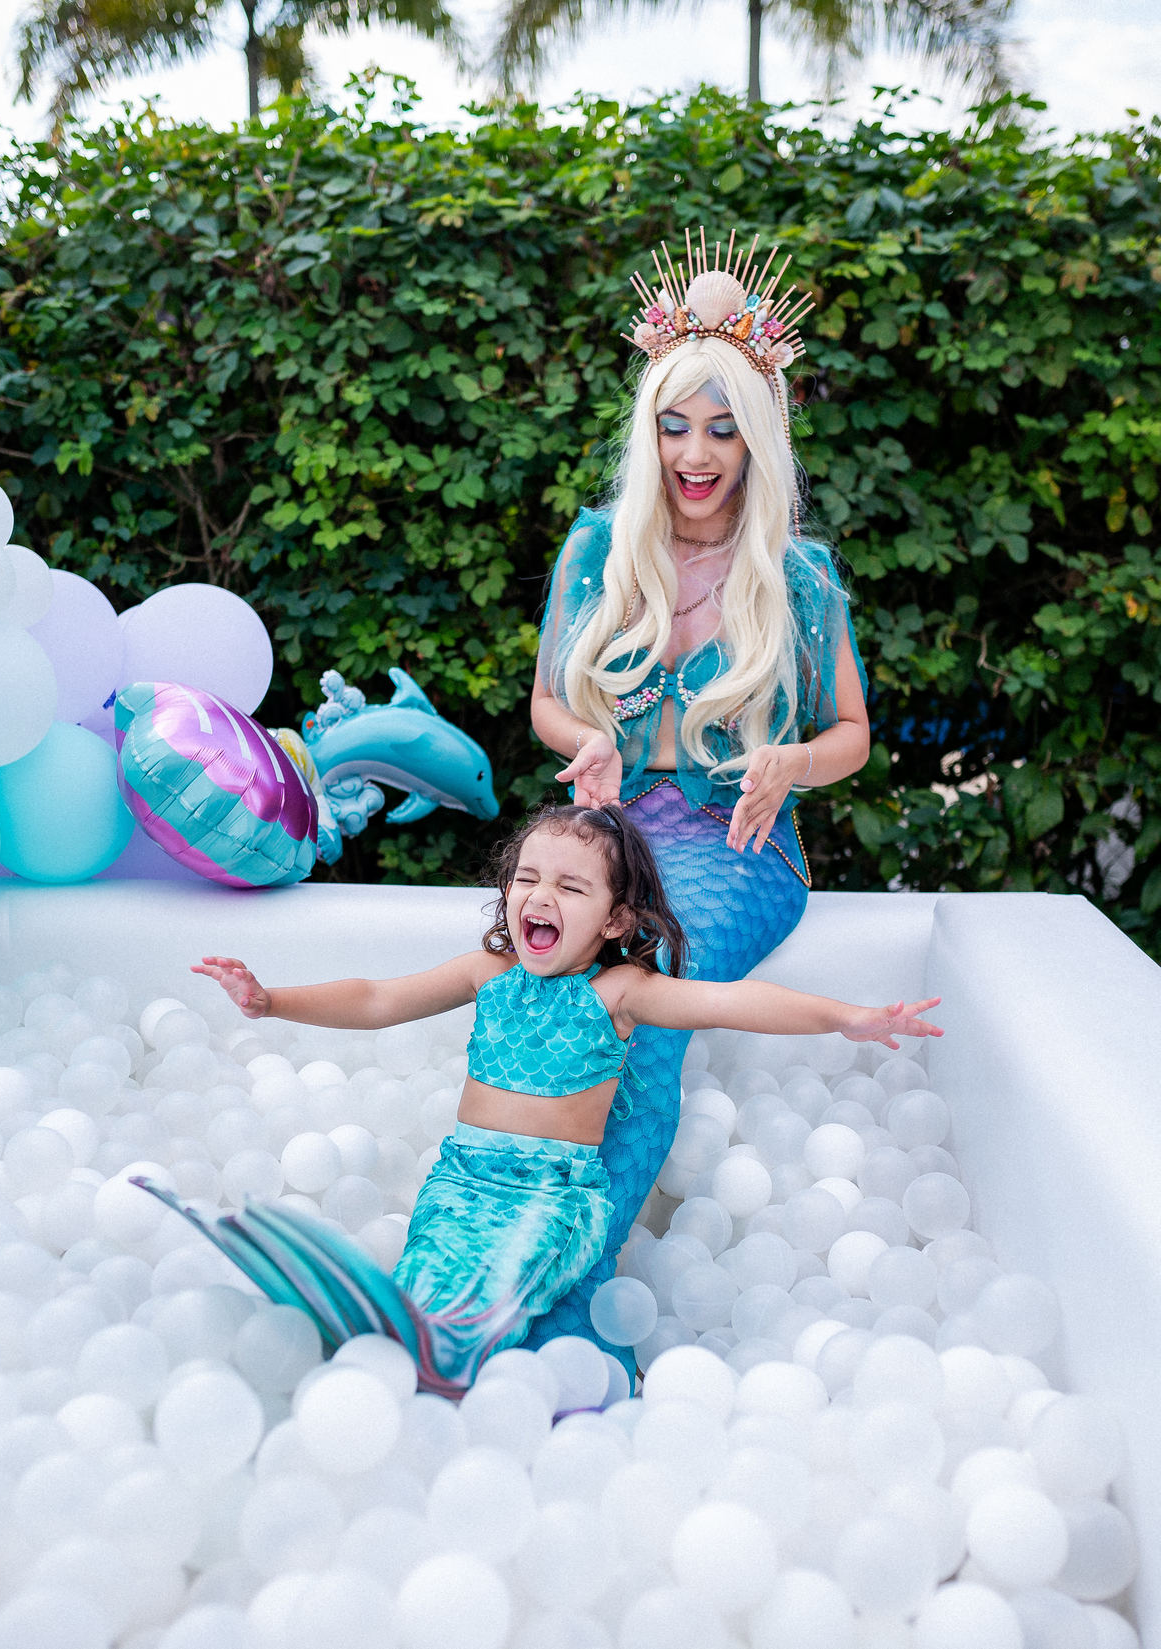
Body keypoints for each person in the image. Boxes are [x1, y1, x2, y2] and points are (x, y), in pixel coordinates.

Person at [135, 804, 940, 1397]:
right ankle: (386, 1335)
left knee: (502, 1283)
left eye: (569, 885)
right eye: (526, 877)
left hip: (553, 1195)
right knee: (427, 1279)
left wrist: (847, 1016)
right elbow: (378, 996)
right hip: (462, 1179)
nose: (538, 894)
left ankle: (457, 1355)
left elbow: (733, 1001)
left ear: (615, 919)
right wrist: (272, 1000)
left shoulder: (621, 991)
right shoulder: (489, 973)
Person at [525, 230, 872, 1364]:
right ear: (650, 430)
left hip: (740, 844)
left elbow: (853, 736)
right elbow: (547, 705)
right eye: (676, 424)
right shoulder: (598, 549)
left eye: (724, 427)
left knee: (650, 984)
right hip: (613, 827)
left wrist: (791, 762)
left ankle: (576, 1292)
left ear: (758, 435)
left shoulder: (800, 577)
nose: (697, 451)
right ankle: (498, 1241)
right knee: (545, 984)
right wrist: (590, 741)